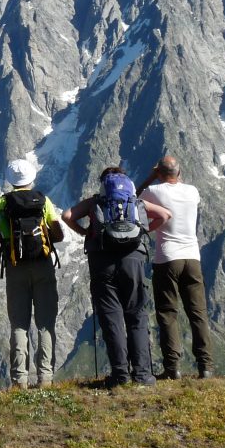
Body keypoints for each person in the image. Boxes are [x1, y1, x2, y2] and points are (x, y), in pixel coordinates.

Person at [62, 167, 170, 389]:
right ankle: (143, 375)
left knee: (112, 318)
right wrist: (143, 231)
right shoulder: (135, 202)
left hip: (102, 260)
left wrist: (84, 233)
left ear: (103, 184)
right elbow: (165, 215)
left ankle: (120, 375)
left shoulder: (96, 202)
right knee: (136, 315)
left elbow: (67, 216)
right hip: (133, 258)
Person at [0, 159, 65, 389]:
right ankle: (45, 378)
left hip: (15, 267)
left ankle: (19, 379)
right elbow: (58, 234)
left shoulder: (2, 202)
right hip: (43, 264)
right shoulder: (43, 200)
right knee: (45, 323)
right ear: (31, 178)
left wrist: (9, 236)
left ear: (11, 181)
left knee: (19, 324)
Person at [139, 156, 213, 380]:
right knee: (198, 313)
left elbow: (133, 199)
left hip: (167, 258)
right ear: (179, 173)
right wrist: (167, 174)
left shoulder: (154, 191)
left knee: (167, 313)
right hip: (192, 257)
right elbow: (177, 181)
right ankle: (206, 367)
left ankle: (172, 368)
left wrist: (152, 177)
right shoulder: (192, 191)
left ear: (159, 173)